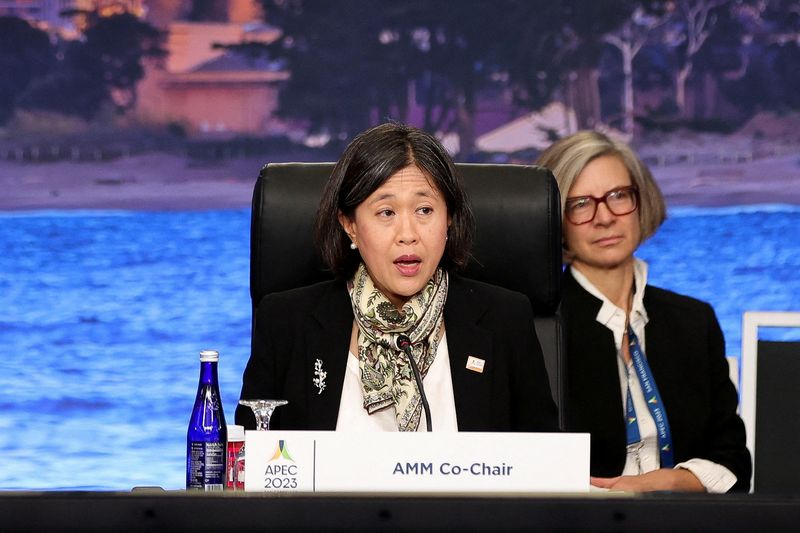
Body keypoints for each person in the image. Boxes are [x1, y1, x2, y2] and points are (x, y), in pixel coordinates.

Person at [236, 122, 558, 433]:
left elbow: (547, 464)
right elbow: (246, 466)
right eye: (386, 213)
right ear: (350, 225)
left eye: (425, 211)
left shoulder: (504, 322)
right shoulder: (287, 325)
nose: (408, 235)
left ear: (449, 219)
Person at [536, 131, 751, 492]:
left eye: (618, 196)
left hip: (686, 520)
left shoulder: (694, 321)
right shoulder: (535, 327)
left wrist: (675, 481)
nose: (604, 217)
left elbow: (733, 461)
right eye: (581, 204)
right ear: (555, 220)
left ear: (642, 201)